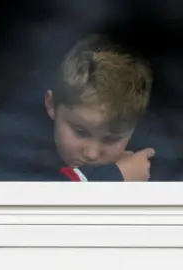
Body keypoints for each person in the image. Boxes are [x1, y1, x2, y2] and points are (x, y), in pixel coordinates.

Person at [44, 34, 162, 182]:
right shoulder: (19, 146)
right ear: (51, 104)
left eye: (111, 139)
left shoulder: (150, 170)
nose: (91, 154)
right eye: (80, 132)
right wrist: (114, 177)